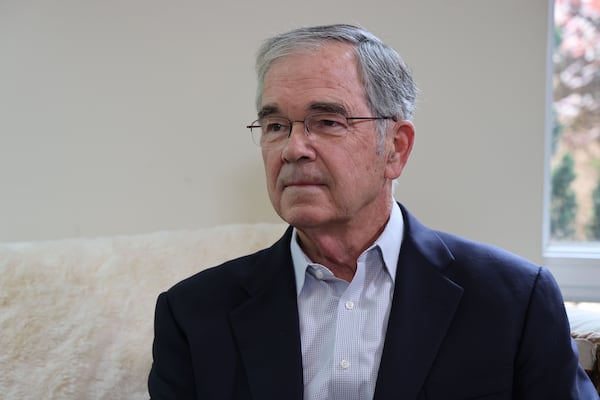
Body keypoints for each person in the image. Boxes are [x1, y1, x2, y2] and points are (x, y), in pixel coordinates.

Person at [148, 24, 598, 399]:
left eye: (326, 122)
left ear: (395, 149)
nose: (293, 148)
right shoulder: (193, 314)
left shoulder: (514, 301)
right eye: (275, 125)